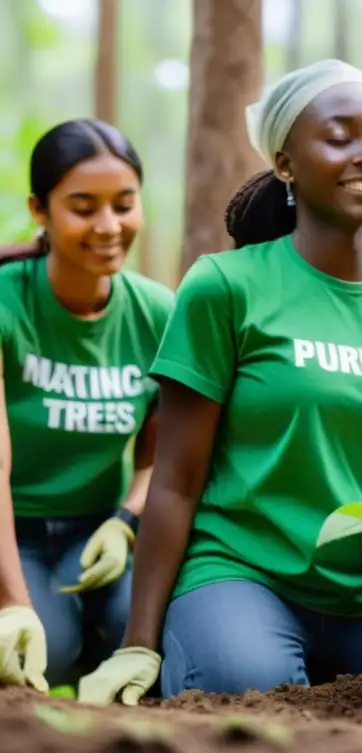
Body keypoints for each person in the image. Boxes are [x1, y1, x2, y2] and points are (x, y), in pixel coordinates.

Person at [76, 60, 362, 706]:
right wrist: (139, 641)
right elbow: (176, 477)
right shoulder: (225, 286)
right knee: (245, 691)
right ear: (286, 164)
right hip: (243, 574)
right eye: (341, 136)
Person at [0, 118, 172, 692]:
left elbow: (159, 456)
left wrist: (125, 524)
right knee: (48, 646)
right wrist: (12, 606)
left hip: (96, 527)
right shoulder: (8, 304)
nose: (108, 226)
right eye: (82, 206)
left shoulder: (157, 313)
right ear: (40, 210)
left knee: (141, 628)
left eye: (124, 205)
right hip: (11, 528)